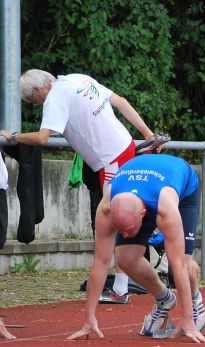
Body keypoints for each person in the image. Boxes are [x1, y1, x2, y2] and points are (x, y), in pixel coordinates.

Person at [0, 69, 156, 304]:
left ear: (37, 90)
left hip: (110, 160)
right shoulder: (78, 78)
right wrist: (147, 133)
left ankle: (123, 287)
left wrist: (13, 136)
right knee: (120, 219)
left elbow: (42, 138)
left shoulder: (54, 98)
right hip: (125, 147)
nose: (38, 105)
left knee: (114, 223)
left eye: (34, 101)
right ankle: (125, 282)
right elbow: (122, 102)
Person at [67, 153, 205, 343]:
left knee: (183, 262)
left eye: (129, 230)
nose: (125, 235)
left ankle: (195, 300)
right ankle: (165, 299)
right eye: (120, 230)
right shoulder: (106, 207)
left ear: (142, 214)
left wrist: (188, 319)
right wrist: (89, 317)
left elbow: (178, 265)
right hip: (142, 188)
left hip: (181, 185)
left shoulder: (165, 210)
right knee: (125, 258)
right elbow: (100, 262)